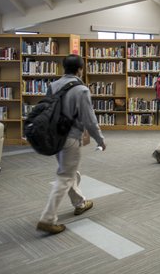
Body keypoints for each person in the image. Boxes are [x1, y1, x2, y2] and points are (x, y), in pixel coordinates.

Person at [37, 54, 106, 235]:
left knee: (68, 170)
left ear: (63, 68)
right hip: (70, 137)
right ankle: (48, 218)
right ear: (80, 69)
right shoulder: (81, 90)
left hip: (54, 136)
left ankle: (80, 203)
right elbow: (89, 119)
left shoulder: (53, 86)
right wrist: (100, 139)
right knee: (65, 175)